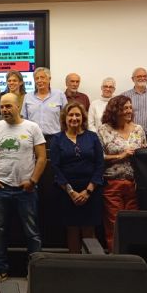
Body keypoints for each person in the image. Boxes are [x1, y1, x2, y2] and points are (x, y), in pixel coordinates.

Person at [0, 93, 47, 285]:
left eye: (8, 106)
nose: (4, 110)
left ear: (17, 106)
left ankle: (36, 272)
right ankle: (0, 269)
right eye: (2, 107)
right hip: (1, 187)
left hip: (25, 190)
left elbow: (42, 157)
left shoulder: (32, 127)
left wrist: (33, 181)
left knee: (31, 231)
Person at [50, 102, 104, 253]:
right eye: (71, 115)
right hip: (67, 192)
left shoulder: (92, 137)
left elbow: (100, 165)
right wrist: (71, 192)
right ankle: (75, 266)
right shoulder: (57, 139)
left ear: (83, 118)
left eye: (77, 115)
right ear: (65, 118)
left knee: (89, 229)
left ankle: (92, 269)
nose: (74, 118)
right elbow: (56, 168)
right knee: (72, 230)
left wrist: (88, 191)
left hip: (91, 191)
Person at [97, 95, 147, 251]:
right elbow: (99, 158)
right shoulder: (104, 130)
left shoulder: (138, 129)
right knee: (114, 224)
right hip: (112, 184)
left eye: (130, 107)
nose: (129, 111)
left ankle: (133, 258)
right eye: (125, 108)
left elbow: (146, 150)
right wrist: (121, 156)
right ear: (115, 109)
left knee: (133, 223)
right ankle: (116, 260)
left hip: (135, 184)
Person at [21, 67, 67, 148]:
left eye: (42, 77)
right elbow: (24, 119)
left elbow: (66, 116)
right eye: (36, 78)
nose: (39, 81)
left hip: (55, 137)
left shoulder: (59, 95)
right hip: (33, 138)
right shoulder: (28, 96)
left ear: (49, 79)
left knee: (54, 160)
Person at [121, 67, 147, 146]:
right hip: (131, 134)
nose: (142, 78)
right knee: (133, 157)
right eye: (139, 76)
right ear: (132, 79)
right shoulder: (124, 96)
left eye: (145, 76)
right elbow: (121, 116)